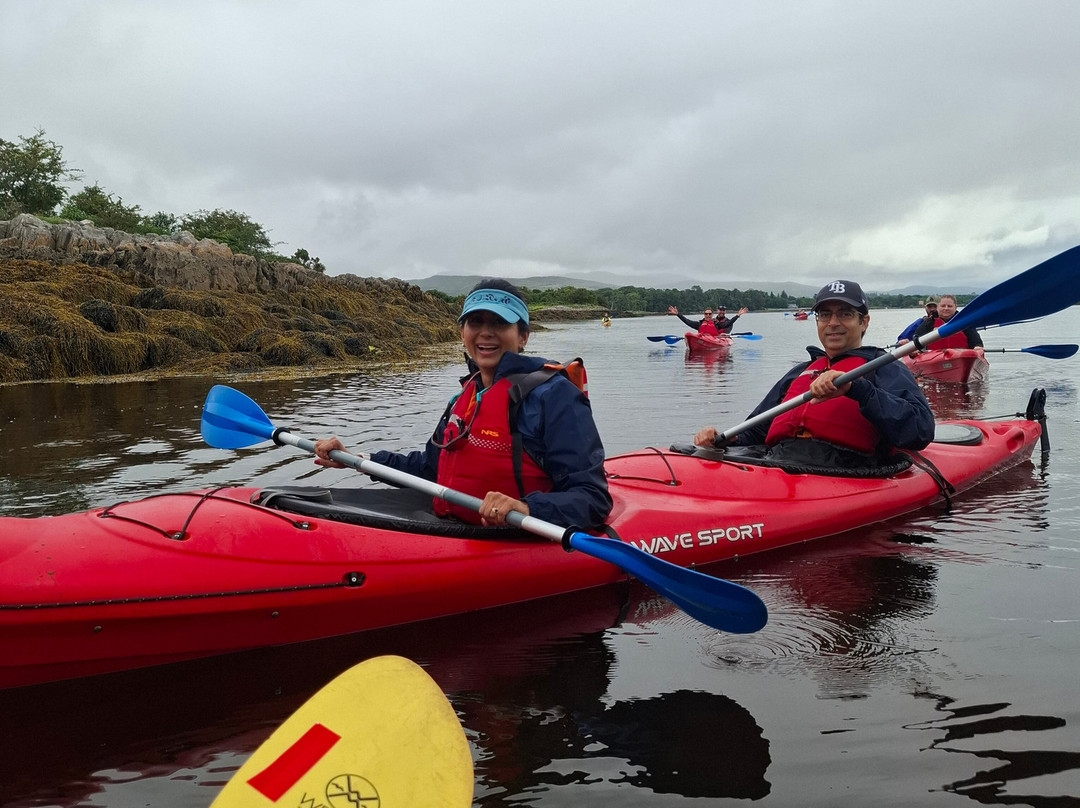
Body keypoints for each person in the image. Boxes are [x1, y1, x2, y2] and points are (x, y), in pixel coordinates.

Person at [313, 279, 612, 530]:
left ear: (523, 336)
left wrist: (524, 508)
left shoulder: (554, 396)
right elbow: (430, 468)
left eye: (499, 323)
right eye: (475, 321)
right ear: (462, 333)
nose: (485, 332)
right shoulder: (465, 396)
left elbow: (592, 498)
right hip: (454, 527)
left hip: (514, 537)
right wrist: (358, 459)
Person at [693, 280, 934, 467]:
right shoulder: (799, 373)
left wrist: (857, 389)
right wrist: (724, 439)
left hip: (845, 469)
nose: (833, 323)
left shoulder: (885, 368)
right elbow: (756, 430)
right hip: (778, 464)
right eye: (825, 314)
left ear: (864, 322)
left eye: (845, 313)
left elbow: (920, 432)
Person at [912, 294, 983, 349]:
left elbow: (977, 342)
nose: (946, 308)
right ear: (938, 307)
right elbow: (917, 341)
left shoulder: (964, 323)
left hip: (960, 358)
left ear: (955, 307)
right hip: (935, 360)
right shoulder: (928, 323)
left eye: (949, 306)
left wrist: (977, 347)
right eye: (943, 306)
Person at [667, 304, 749, 336]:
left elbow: (729, 323)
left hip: (716, 339)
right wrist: (678, 314)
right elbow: (687, 321)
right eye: (706, 314)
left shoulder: (717, 324)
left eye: (710, 314)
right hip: (702, 339)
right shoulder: (699, 324)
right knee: (688, 334)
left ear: (712, 314)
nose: (708, 315)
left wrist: (737, 315)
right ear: (704, 314)